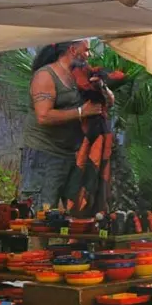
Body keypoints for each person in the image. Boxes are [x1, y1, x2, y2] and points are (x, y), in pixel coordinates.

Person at [20, 41, 103, 210]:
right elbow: (43, 116)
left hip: (74, 154)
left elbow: (107, 101)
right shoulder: (45, 75)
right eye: (86, 50)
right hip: (44, 153)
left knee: (78, 211)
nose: (89, 55)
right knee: (41, 212)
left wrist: (102, 88)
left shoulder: (81, 74)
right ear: (73, 50)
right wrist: (81, 112)